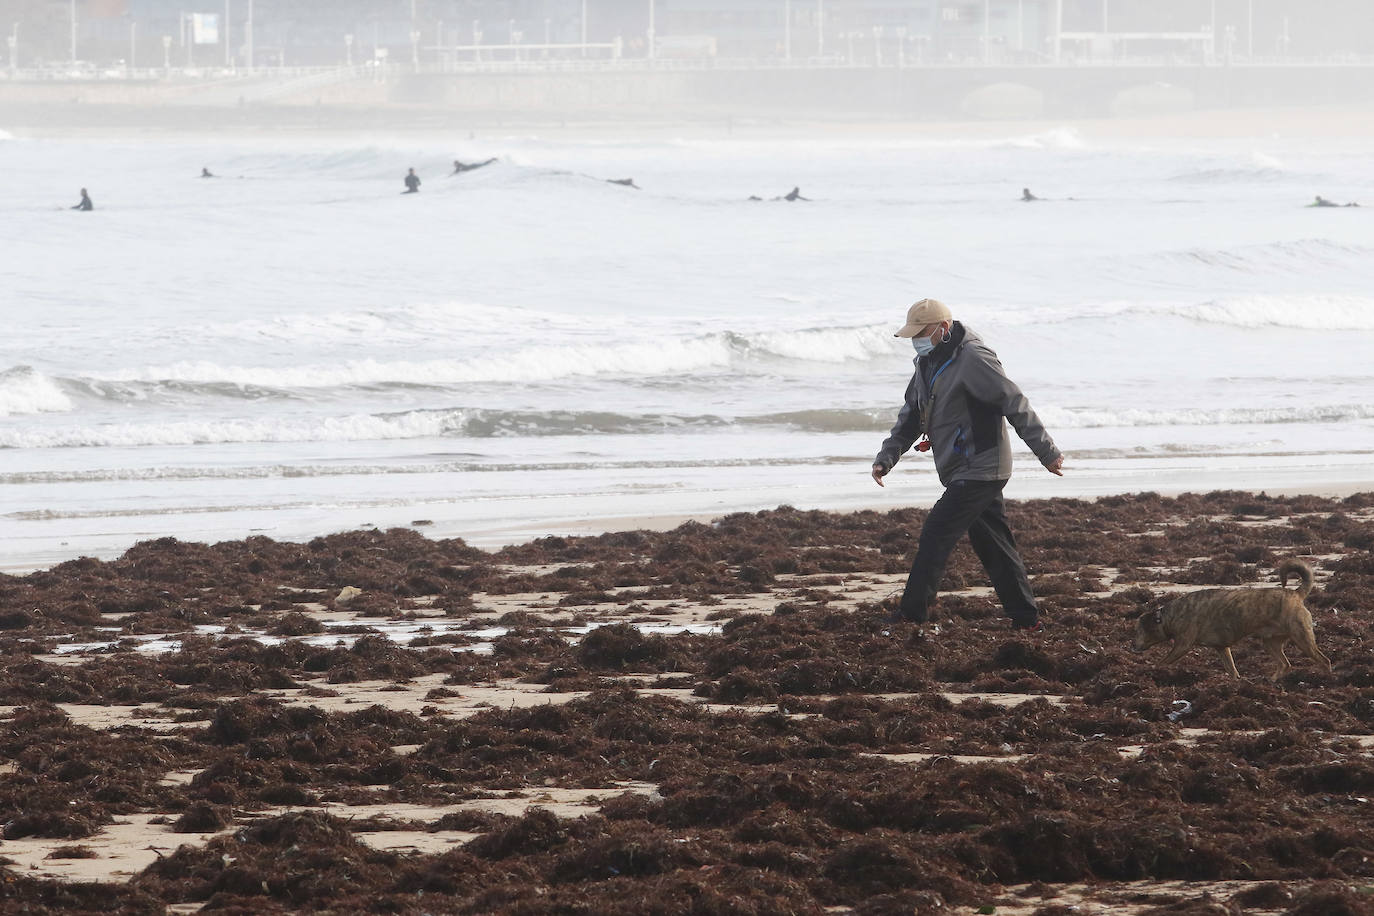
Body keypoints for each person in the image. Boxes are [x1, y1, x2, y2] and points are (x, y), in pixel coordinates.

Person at [871, 298, 1064, 633]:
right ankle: (1027, 620)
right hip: (960, 466)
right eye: (913, 335)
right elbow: (913, 414)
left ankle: (912, 613)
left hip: (982, 465)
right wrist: (887, 457)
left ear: (943, 329)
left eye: (921, 333)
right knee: (994, 546)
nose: (916, 340)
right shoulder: (926, 361)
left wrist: (1046, 452)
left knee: (936, 532)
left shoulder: (974, 357)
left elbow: (1013, 401)